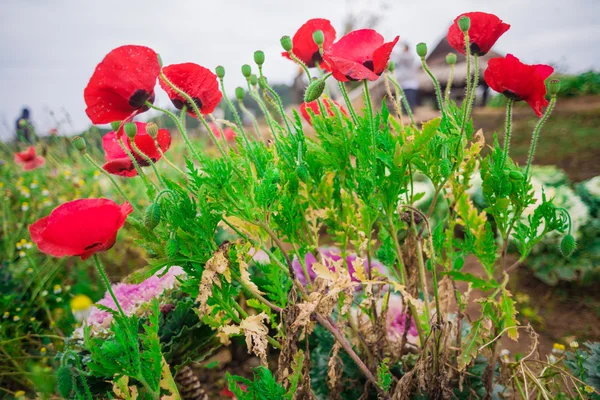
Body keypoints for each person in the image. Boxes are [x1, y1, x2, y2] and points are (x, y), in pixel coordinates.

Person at [395, 44, 419, 114]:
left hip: (411, 82)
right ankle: (406, 112)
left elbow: (401, 59)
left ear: (407, 49)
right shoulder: (403, 58)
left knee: (410, 98)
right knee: (404, 98)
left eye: (404, 48)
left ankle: (411, 111)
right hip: (405, 82)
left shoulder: (410, 56)